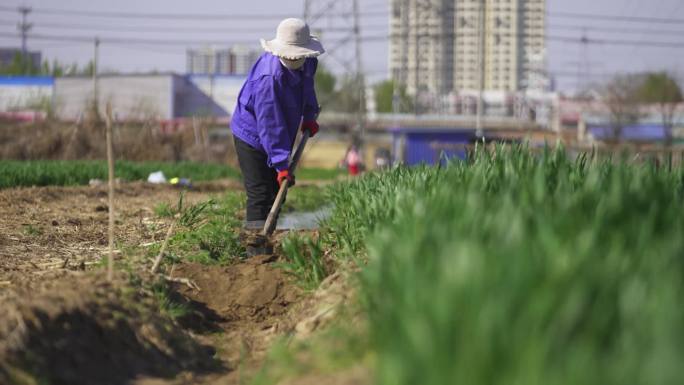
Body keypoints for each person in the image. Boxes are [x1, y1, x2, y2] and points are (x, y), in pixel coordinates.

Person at [231, 18, 324, 240]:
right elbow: (270, 125)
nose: (293, 58)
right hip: (252, 134)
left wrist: (309, 115)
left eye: (298, 55)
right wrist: (282, 164)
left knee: (277, 193)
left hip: (280, 131)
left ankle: (269, 235)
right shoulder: (269, 79)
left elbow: (307, 88)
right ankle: (255, 243)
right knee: (261, 192)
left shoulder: (308, 63)